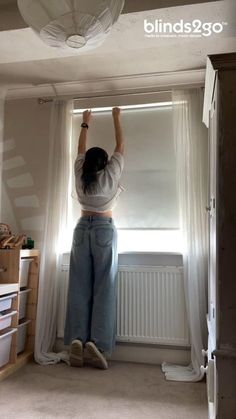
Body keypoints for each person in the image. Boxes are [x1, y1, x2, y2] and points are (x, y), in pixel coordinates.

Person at [64, 107, 124, 370]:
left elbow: (79, 148)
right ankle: (97, 345)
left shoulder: (80, 174)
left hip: (80, 229)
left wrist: (85, 123)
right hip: (103, 229)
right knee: (104, 288)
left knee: (79, 286)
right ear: (105, 163)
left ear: (87, 162)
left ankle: (77, 340)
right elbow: (121, 145)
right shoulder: (110, 175)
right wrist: (116, 117)